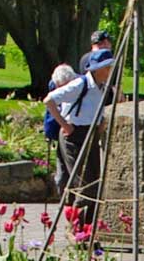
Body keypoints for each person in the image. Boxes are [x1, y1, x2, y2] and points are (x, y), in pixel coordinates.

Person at [45, 50, 116, 216]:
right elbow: (49, 100)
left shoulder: (102, 88)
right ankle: (76, 224)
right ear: (97, 69)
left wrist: (101, 124)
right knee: (84, 184)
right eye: (107, 68)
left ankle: (89, 228)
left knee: (95, 183)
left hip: (90, 135)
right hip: (74, 136)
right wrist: (65, 125)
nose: (109, 71)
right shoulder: (80, 84)